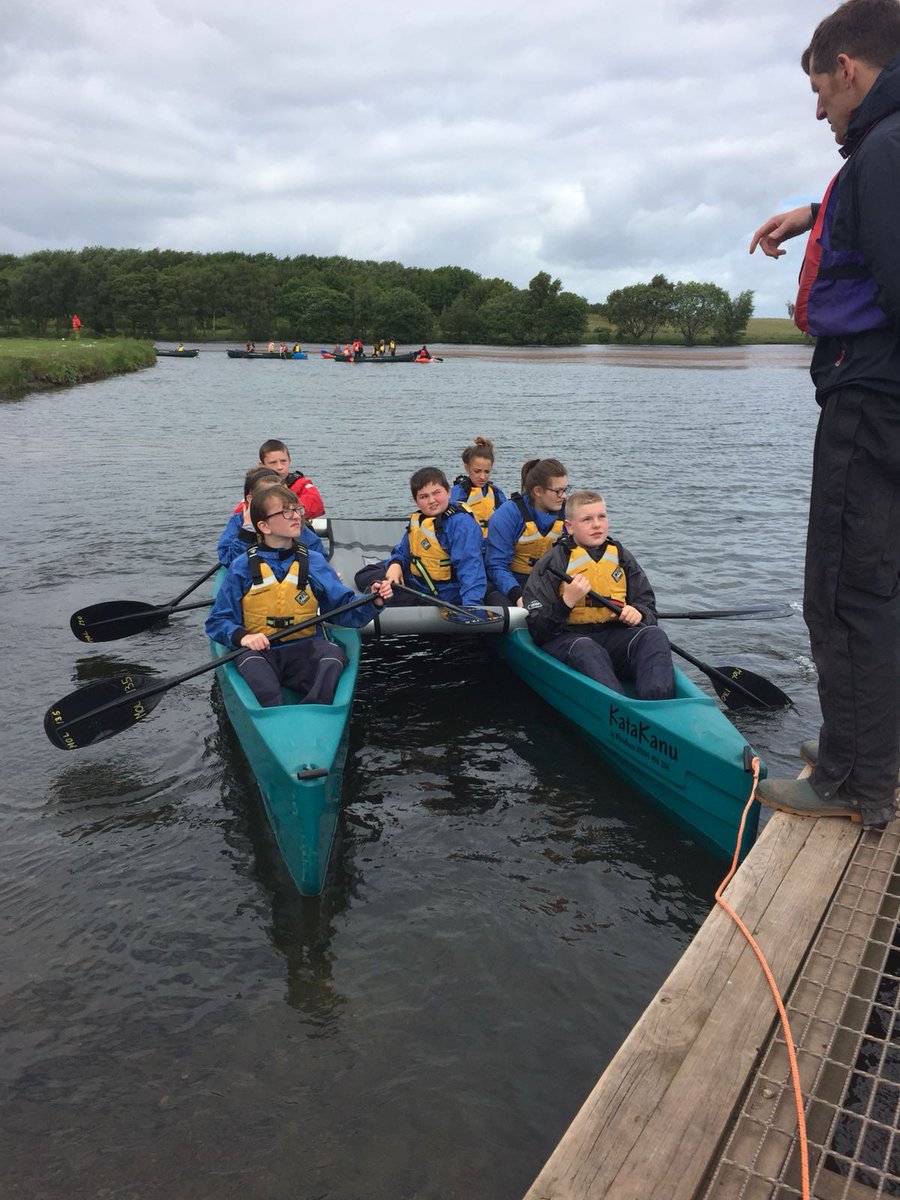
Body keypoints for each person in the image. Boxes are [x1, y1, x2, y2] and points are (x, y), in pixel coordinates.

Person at [749, 0, 900, 831]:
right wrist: (819, 211)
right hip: (883, 397)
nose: (818, 111)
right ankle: (867, 749)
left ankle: (852, 779)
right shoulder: (886, 147)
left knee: (843, 593)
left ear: (849, 69)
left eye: (820, 92)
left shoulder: (884, 149)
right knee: (878, 586)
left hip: (874, 398)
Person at [206, 485, 391, 708]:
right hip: (261, 652)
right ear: (263, 526)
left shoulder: (314, 562)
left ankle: (317, 711)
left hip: (305, 648)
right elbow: (217, 621)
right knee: (253, 666)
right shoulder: (242, 566)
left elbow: (342, 609)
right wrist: (243, 637)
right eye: (285, 512)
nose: (296, 516)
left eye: (297, 509)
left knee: (333, 658)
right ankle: (274, 713)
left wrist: (373, 600)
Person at [522, 490, 675, 700]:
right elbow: (537, 629)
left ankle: (659, 705)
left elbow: (648, 606)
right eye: (587, 519)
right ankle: (622, 709)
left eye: (602, 517)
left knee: (654, 635)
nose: (597, 525)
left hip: (613, 636)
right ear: (569, 526)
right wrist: (566, 602)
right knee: (586, 648)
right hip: (568, 639)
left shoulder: (621, 557)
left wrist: (638, 613)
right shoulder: (552, 563)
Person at [354, 467, 487, 608]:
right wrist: (395, 564)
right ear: (416, 500)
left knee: (376, 594)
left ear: (449, 492)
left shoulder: (461, 524)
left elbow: (471, 569)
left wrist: (472, 607)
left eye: (437, 493)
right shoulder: (421, 520)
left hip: (441, 594)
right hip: (416, 580)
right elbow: (403, 551)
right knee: (363, 576)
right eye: (424, 497)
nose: (432, 500)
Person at [484, 458, 568, 606]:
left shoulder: (570, 513)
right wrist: (518, 597)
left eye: (565, 490)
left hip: (552, 582)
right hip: (514, 584)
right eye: (558, 491)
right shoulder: (507, 515)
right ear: (538, 491)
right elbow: (497, 565)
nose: (564, 496)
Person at [218, 467, 325, 566]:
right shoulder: (238, 522)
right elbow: (228, 560)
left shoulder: (294, 522)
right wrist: (247, 531)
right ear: (251, 499)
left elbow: (318, 555)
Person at [449, 436, 509, 537]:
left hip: (492, 545)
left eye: (487, 472)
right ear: (467, 468)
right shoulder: (458, 493)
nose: (482, 477)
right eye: (477, 471)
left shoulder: (496, 493)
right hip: (468, 545)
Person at [257, 439, 325, 519]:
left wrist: (285, 508)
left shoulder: (301, 484)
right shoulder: (257, 487)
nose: (280, 467)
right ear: (262, 465)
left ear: (289, 461)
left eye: (283, 461)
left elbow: (316, 504)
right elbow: (242, 511)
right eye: (273, 463)